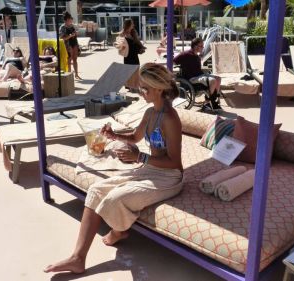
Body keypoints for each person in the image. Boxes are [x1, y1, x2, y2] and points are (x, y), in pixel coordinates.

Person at [44, 63, 184, 274]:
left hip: (169, 177)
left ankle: (118, 232)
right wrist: (114, 135)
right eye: (140, 88)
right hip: (150, 171)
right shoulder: (149, 113)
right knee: (96, 190)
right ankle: (77, 257)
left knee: (114, 198)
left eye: (145, 88)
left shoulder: (170, 119)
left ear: (159, 88)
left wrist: (140, 156)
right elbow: (135, 137)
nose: (141, 92)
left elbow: (175, 162)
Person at [173, 37, 222, 110]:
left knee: (218, 78)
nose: (202, 47)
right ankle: (208, 102)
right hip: (192, 78)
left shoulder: (197, 56)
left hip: (199, 76)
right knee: (213, 80)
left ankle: (213, 100)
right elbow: (173, 61)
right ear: (195, 46)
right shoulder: (185, 54)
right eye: (201, 46)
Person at [60, 11, 82, 80]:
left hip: (74, 42)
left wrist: (76, 34)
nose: (71, 20)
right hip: (68, 44)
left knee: (75, 59)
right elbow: (62, 38)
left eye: (71, 19)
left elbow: (76, 34)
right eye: (70, 19)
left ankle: (76, 74)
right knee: (69, 60)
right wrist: (69, 36)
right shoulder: (62, 27)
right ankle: (69, 75)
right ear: (66, 20)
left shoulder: (72, 26)